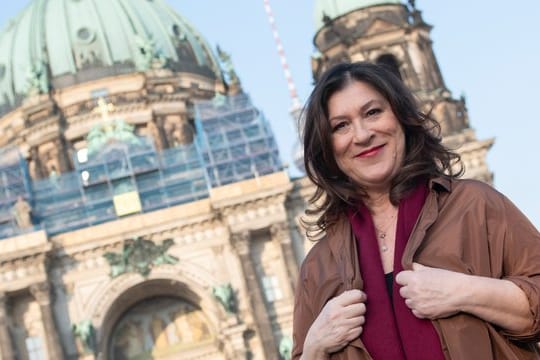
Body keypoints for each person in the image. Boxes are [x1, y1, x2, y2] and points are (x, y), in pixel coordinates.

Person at [292, 61, 540, 359]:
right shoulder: (317, 267)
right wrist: (314, 348)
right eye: (340, 126)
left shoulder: (474, 204)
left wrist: (465, 292)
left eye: (373, 112)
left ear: (401, 117)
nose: (361, 135)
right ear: (327, 147)